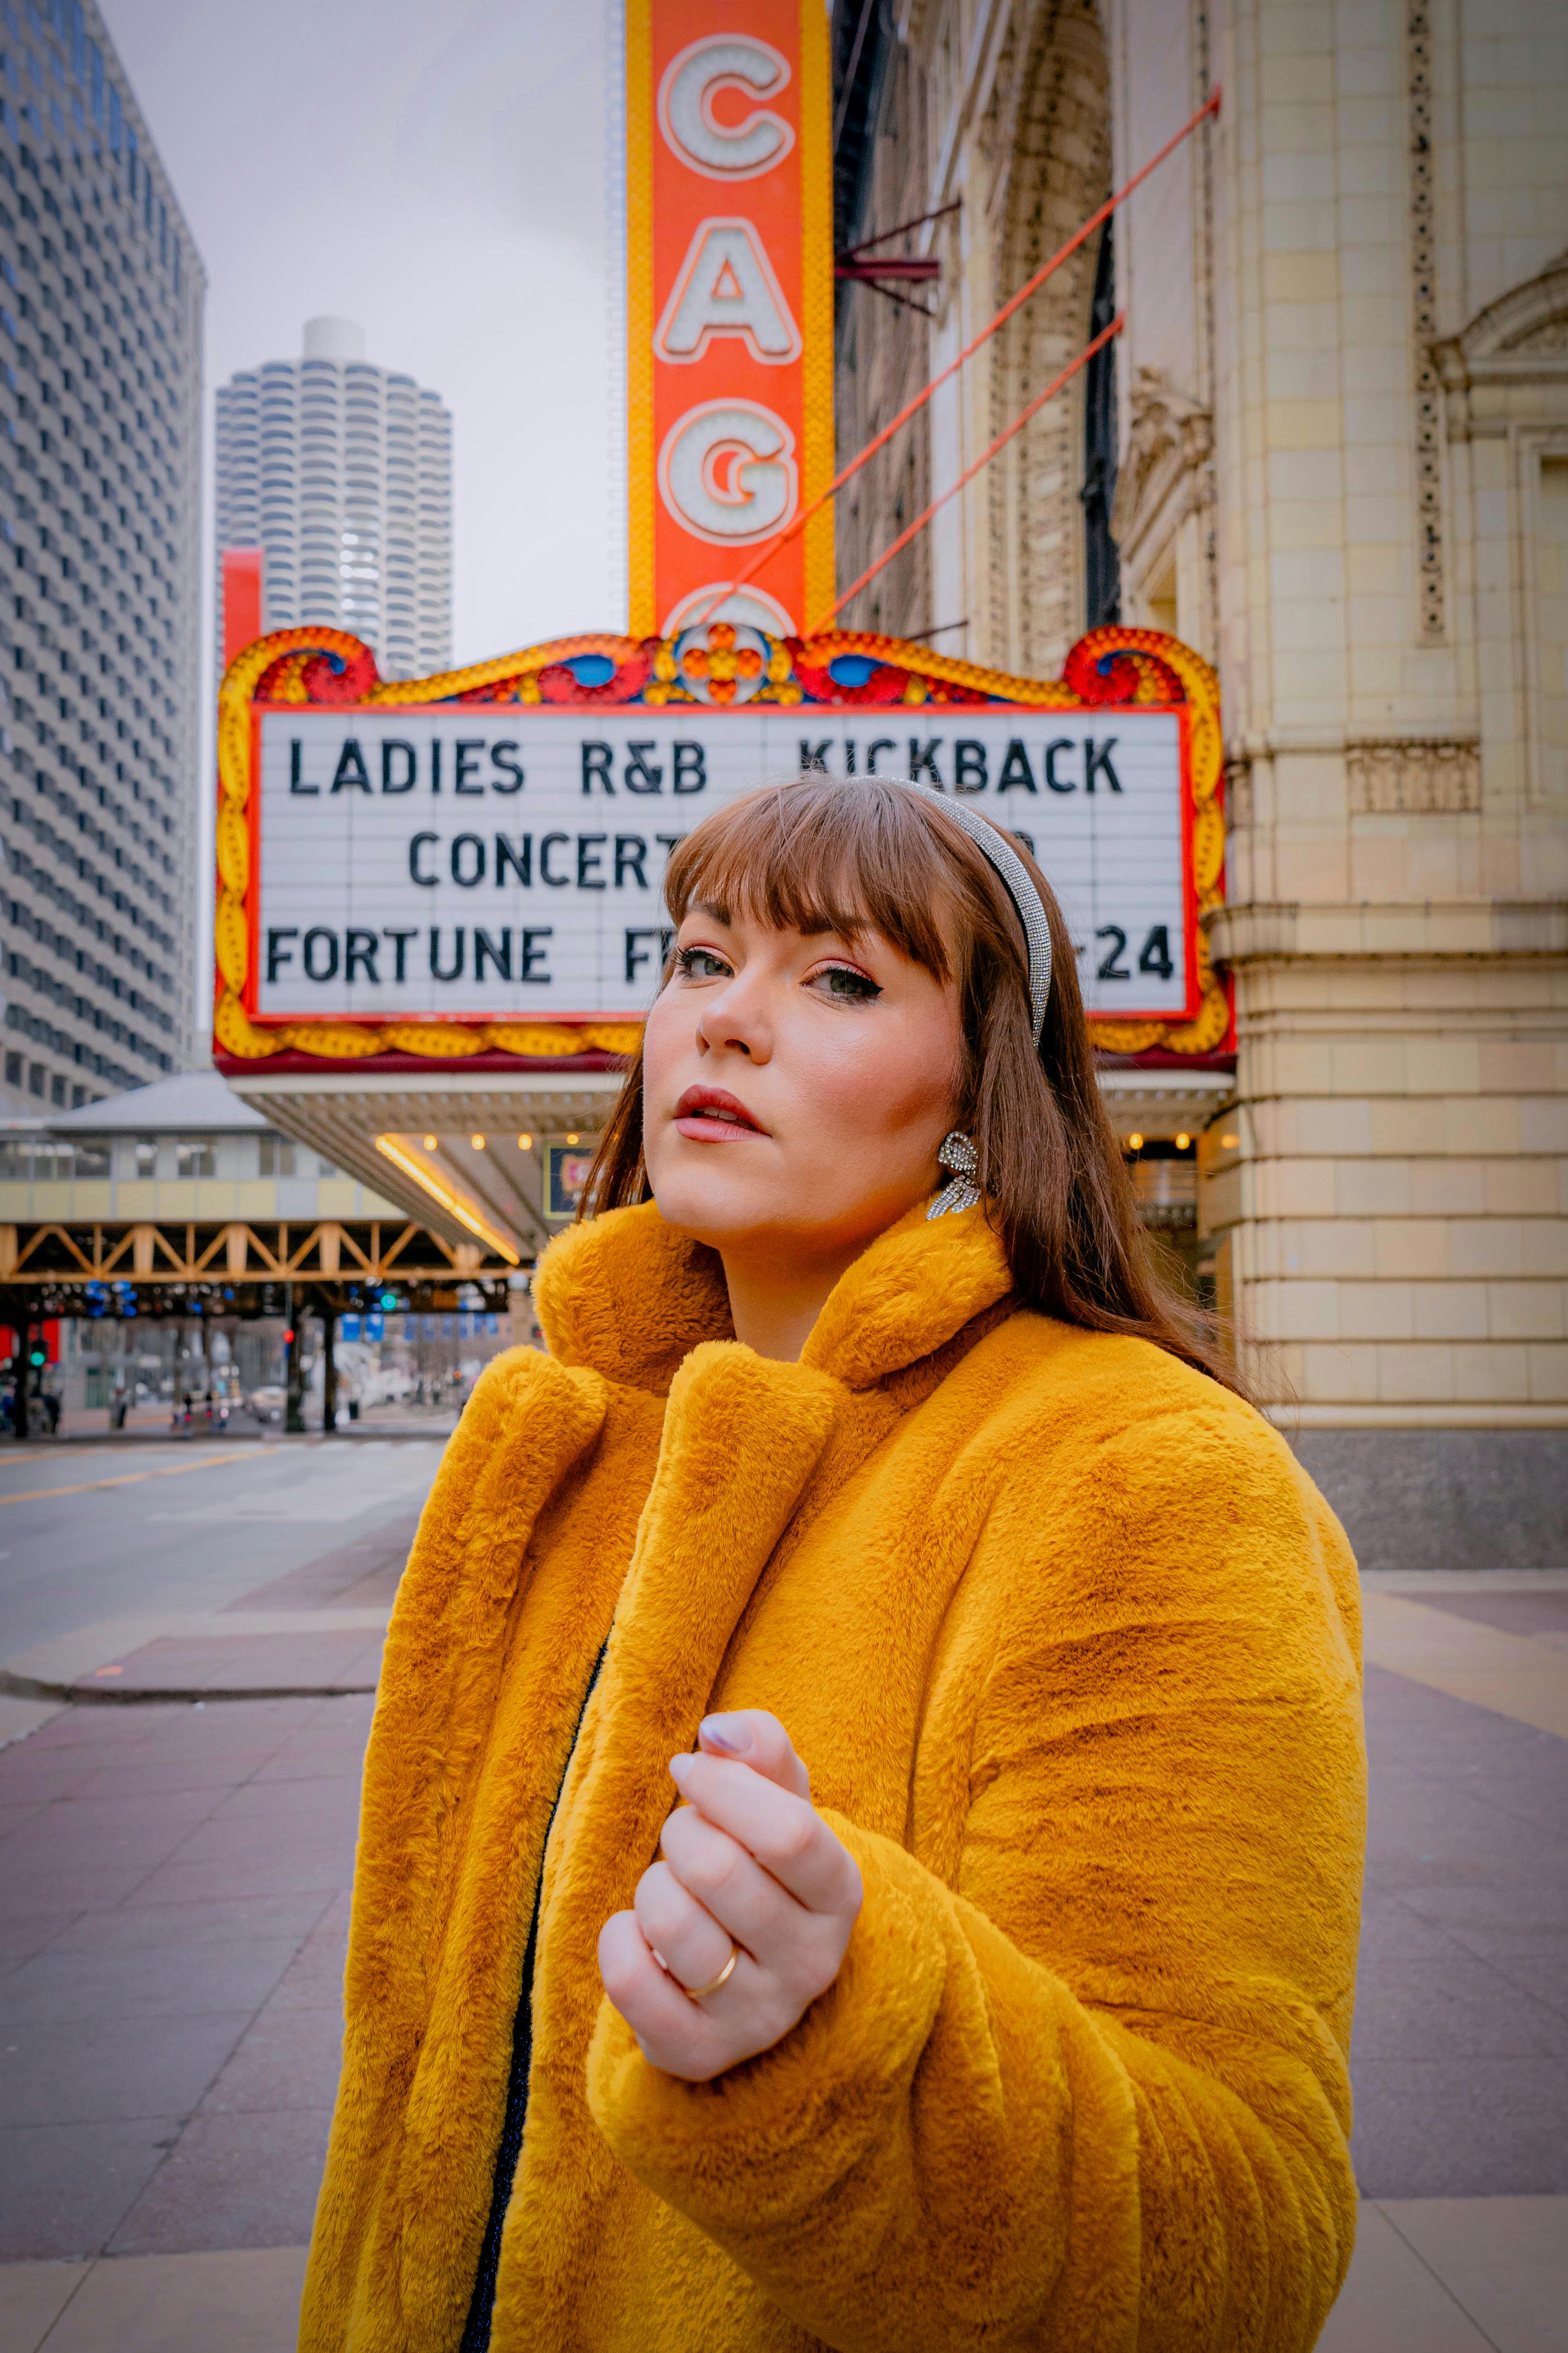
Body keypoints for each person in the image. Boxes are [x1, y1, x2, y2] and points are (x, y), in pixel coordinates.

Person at [301, 776, 1365, 2353]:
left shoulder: (1144, 1473)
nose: (724, 1020)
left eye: (842, 979)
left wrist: (846, 2032)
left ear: (978, 1096)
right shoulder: (573, 1448)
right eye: (698, 958)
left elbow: (1236, 2247)